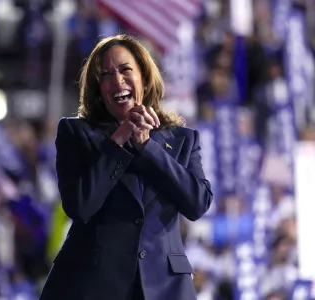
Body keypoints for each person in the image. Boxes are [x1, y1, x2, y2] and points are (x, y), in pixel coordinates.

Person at [39, 34, 213, 300]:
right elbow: (80, 206)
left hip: (164, 288)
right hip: (93, 286)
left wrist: (148, 148)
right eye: (106, 75)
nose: (117, 81)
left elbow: (197, 203)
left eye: (125, 69)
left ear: (143, 76)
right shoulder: (76, 133)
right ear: (99, 89)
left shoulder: (183, 140)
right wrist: (118, 140)